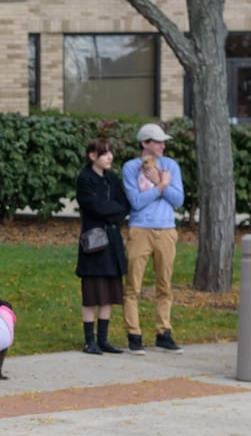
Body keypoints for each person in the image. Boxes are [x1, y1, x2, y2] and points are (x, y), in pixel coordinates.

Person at [120, 122, 186, 354]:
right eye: (157, 142)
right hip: (140, 229)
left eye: (163, 142)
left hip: (166, 229)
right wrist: (161, 187)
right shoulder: (130, 168)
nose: (162, 146)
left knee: (164, 285)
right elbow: (135, 202)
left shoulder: (170, 166)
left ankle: (163, 332)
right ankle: (134, 334)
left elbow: (178, 200)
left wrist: (159, 182)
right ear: (144, 143)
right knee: (132, 286)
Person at [74, 137, 128, 355]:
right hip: (94, 242)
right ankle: (90, 341)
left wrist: (112, 211)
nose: (110, 157)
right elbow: (93, 207)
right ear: (92, 156)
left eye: (111, 153)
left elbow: (124, 205)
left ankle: (103, 339)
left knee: (110, 291)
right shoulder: (85, 179)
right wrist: (111, 211)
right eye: (105, 153)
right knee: (92, 293)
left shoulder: (112, 178)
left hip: (113, 242)